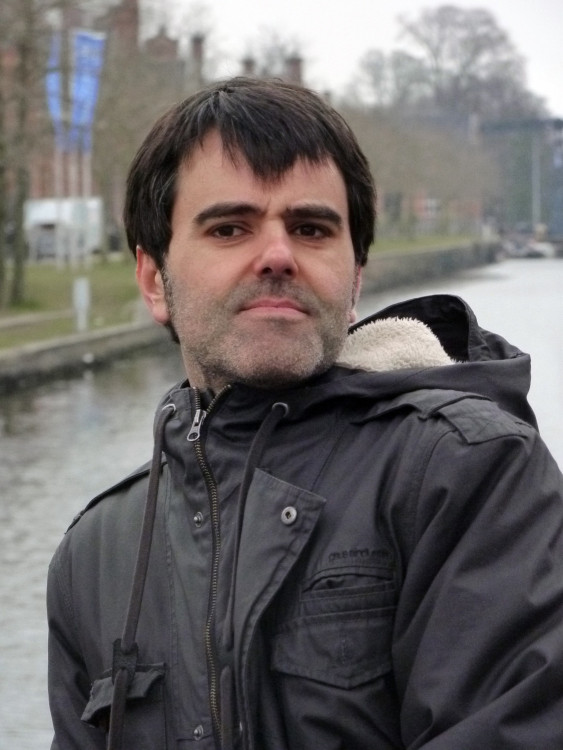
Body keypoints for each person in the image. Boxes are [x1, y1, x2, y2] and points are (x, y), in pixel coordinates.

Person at [47, 77, 563, 750]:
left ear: (355, 279)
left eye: (310, 229)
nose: (277, 256)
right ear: (153, 280)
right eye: (229, 228)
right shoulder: (94, 554)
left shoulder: (467, 472)